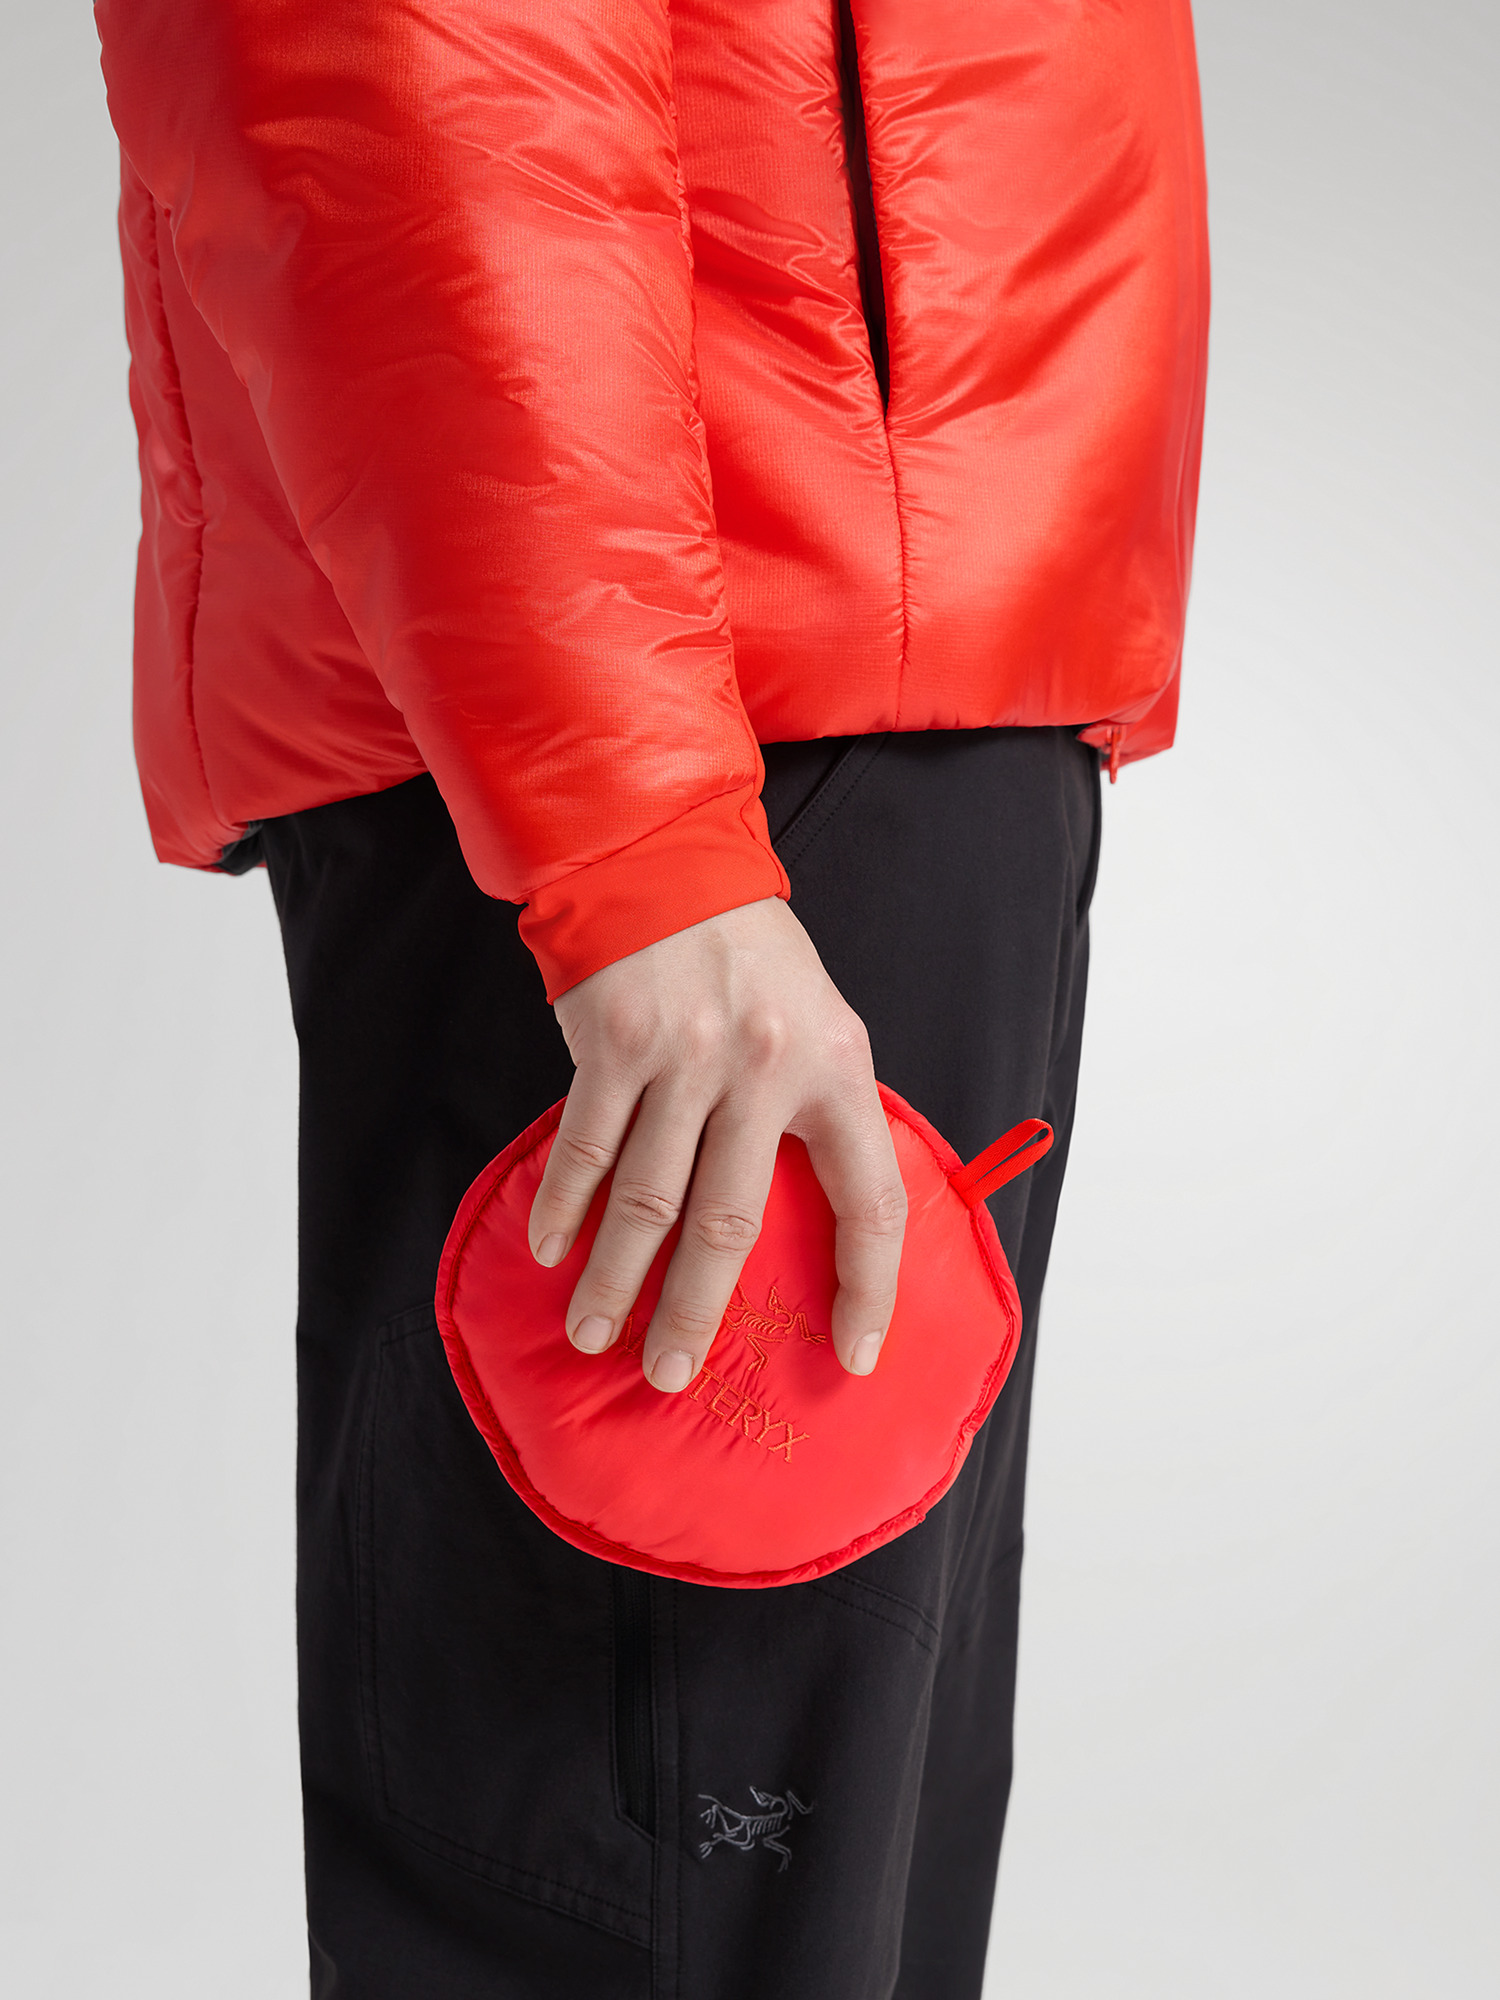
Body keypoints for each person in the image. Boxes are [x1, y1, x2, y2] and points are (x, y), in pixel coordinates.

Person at [95, 2, 1208, 1993]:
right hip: (706, 716)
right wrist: (633, 826)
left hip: (878, 662)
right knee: (672, 1906)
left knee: (807, 1898)